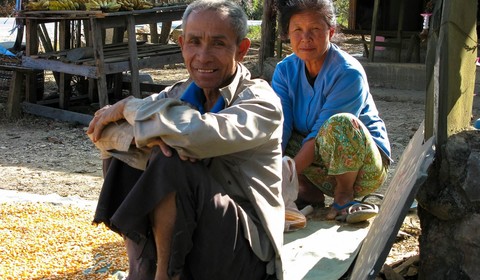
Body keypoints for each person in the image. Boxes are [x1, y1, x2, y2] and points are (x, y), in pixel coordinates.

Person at [86, 1, 284, 279]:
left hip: (241, 253)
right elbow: (100, 130)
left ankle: (165, 275)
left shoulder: (261, 102)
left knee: (172, 158)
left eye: (217, 43)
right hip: (189, 238)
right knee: (136, 149)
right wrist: (147, 137)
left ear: (241, 50)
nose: (203, 56)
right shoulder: (177, 94)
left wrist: (133, 110)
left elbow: (196, 135)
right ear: (182, 45)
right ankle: (140, 266)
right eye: (194, 42)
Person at [271, 0, 392, 222]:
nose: (306, 38)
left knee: (340, 124)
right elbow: (281, 126)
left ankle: (344, 195)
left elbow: (318, 134)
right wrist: (271, 172)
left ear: (331, 32)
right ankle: (308, 193)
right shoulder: (284, 71)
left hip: (363, 169)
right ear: (287, 33)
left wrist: (283, 176)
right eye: (297, 30)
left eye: (315, 30)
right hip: (321, 166)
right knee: (270, 134)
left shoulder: (348, 73)